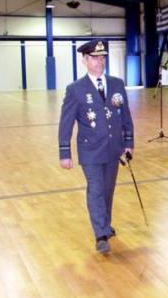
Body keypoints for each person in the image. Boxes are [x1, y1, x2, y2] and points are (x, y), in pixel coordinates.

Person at [58, 39, 134, 253]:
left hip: (113, 148)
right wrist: (65, 152)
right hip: (90, 149)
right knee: (96, 189)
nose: (100, 61)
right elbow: (66, 122)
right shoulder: (75, 89)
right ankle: (100, 233)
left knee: (108, 189)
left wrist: (128, 143)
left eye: (102, 57)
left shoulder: (117, 84)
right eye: (95, 58)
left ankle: (105, 225)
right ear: (84, 60)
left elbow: (125, 115)